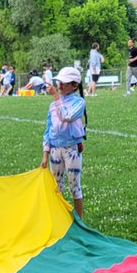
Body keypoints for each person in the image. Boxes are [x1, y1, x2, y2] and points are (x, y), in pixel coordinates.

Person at [40, 66, 87, 219]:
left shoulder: (79, 103)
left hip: (71, 149)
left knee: (75, 186)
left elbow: (66, 116)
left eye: (64, 83)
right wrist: (45, 153)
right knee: (56, 187)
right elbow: (48, 129)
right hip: (55, 149)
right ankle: (59, 219)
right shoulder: (53, 106)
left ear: (74, 86)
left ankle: (79, 222)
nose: (60, 85)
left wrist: (55, 97)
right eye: (59, 82)